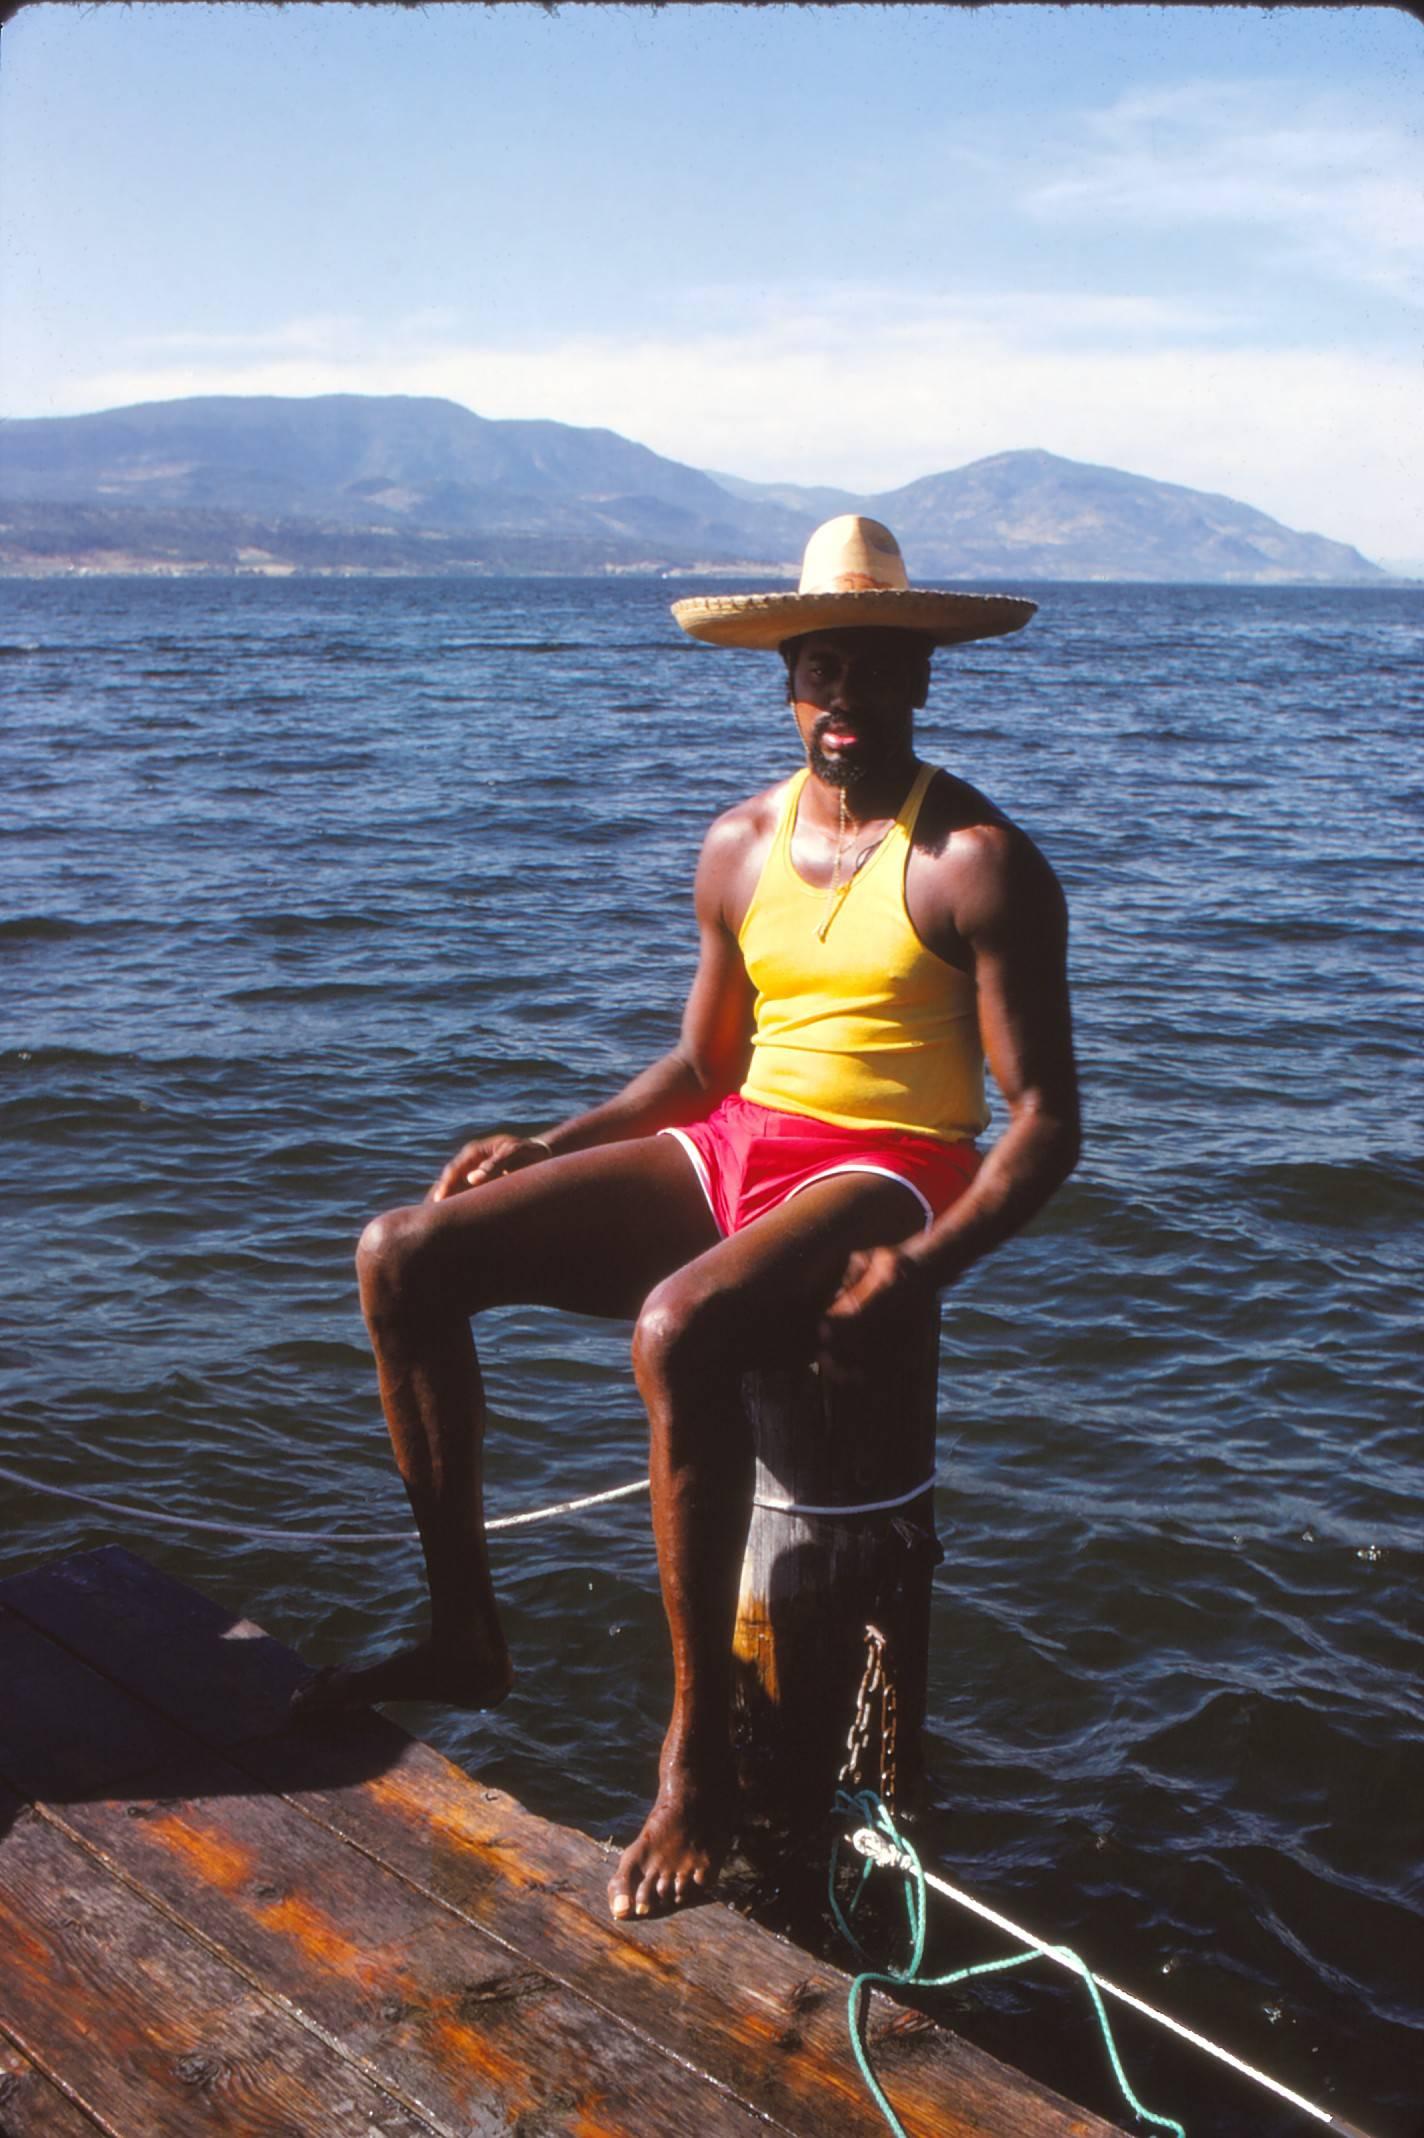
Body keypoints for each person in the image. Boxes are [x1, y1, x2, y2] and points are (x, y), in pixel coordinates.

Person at [292, 515, 1081, 1925]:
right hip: (743, 1139)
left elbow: (1043, 1122)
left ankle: (697, 1753)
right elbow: (703, 1069)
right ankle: (466, 1629)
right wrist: (554, 1139)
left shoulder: (976, 860)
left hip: (891, 1162)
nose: (843, 698)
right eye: (818, 669)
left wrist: (924, 1261)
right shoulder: (739, 845)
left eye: (873, 671)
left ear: (921, 684)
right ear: (786, 683)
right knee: (402, 1251)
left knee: (679, 1331)